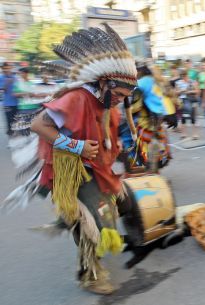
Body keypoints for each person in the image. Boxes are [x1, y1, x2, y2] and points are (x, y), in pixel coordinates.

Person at [9, 24, 138, 295]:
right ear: (104, 82)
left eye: (125, 98)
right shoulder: (77, 98)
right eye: (118, 94)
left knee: (122, 202)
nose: (119, 101)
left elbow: (108, 140)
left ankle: (112, 238)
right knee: (89, 221)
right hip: (68, 171)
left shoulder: (108, 105)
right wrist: (76, 146)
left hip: (96, 169)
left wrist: (126, 153)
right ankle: (89, 275)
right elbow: (38, 125)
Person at [175, 69, 200, 139]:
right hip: (182, 101)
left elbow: (197, 91)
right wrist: (181, 91)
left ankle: (195, 134)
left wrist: (189, 91)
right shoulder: (178, 82)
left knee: (193, 117)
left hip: (192, 101)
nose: (184, 78)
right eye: (182, 76)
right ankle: (183, 133)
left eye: (185, 76)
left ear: (187, 75)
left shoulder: (193, 81)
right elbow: (176, 92)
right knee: (183, 117)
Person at [0, 62, 19, 136]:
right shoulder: (1, 77)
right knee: (9, 120)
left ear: (11, 68)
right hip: (7, 103)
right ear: (3, 69)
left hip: (16, 102)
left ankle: (14, 133)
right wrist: (7, 83)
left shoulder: (15, 77)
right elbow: (2, 90)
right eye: (5, 68)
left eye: (8, 68)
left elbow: (19, 88)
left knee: (16, 119)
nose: (7, 69)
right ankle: (10, 134)